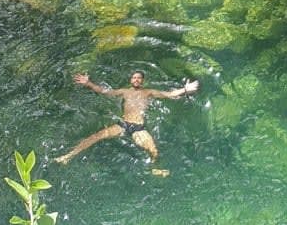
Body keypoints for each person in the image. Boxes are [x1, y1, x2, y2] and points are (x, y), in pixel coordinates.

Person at [56, 71, 199, 176]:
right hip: (122, 125)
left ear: (142, 81)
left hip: (139, 129)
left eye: (139, 78)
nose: (136, 79)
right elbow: (105, 92)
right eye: (134, 77)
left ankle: (155, 169)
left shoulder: (149, 92)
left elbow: (169, 94)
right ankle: (67, 156)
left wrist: (185, 89)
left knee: (154, 151)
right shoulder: (124, 92)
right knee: (95, 137)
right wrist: (88, 83)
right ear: (131, 80)